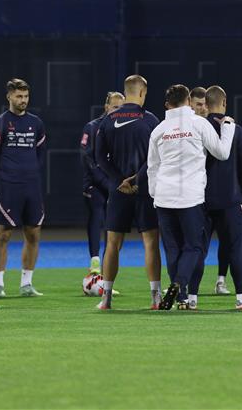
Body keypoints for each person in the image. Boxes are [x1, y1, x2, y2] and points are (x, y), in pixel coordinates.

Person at [148, 84, 235, 310]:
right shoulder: (199, 124)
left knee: (173, 248)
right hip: (191, 197)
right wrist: (228, 128)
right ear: (188, 100)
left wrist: (155, 194)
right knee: (194, 246)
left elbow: (152, 167)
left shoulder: (158, 130)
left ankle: (181, 296)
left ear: (167, 105)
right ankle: (179, 284)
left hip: (164, 198)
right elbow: (222, 153)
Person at [94, 75, 162, 310]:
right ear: (142, 92)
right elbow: (155, 157)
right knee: (151, 243)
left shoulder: (108, 120)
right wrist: (136, 178)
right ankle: (155, 298)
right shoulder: (151, 120)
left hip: (118, 191)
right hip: (145, 189)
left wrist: (119, 180)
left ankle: (106, 298)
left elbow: (100, 157)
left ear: (126, 91)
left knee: (112, 244)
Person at [188, 85, 242, 311]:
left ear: (205, 105)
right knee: (235, 249)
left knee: (198, 249)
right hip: (230, 199)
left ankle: (192, 298)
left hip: (201, 200)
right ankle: (241, 298)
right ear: (225, 103)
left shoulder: (196, 128)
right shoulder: (235, 130)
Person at [0, 79, 47, 297]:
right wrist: (7, 176)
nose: (23, 100)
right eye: (19, 96)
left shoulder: (36, 124)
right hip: (8, 187)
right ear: (9, 97)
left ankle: (26, 284)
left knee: (33, 234)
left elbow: (40, 155)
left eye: (26, 96)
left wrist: (30, 174)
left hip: (32, 187)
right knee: (3, 234)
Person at [80, 91, 125, 275]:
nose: (117, 111)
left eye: (121, 108)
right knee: (97, 212)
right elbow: (87, 159)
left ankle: (107, 266)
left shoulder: (123, 129)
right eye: (115, 107)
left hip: (113, 184)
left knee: (113, 224)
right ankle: (95, 262)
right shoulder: (91, 127)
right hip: (95, 184)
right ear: (106, 107)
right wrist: (106, 182)